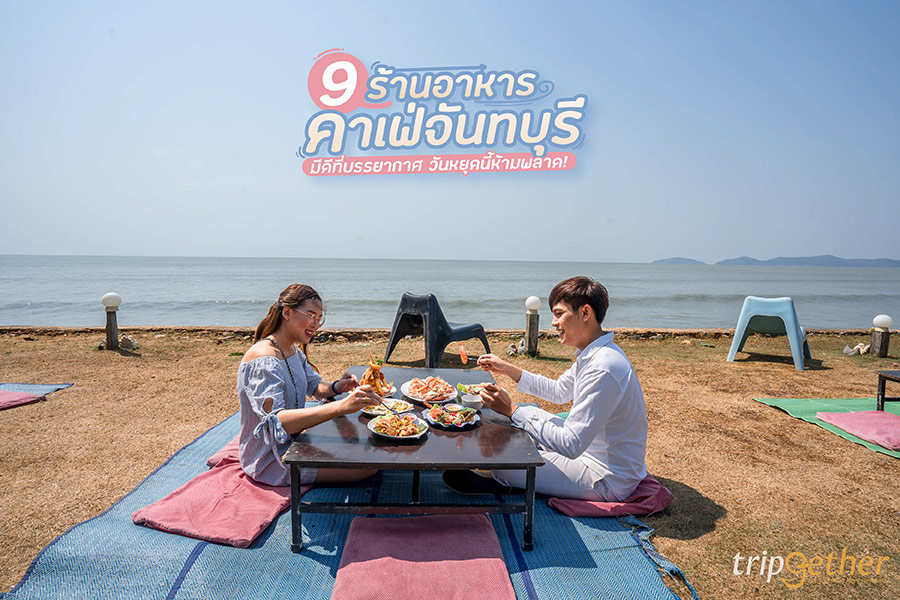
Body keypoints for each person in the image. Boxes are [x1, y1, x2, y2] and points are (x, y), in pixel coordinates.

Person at [446, 276, 648, 501]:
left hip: (605, 475)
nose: (553, 322)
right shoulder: (594, 354)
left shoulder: (603, 367)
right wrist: (509, 369)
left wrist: (512, 410)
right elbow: (559, 391)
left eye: (559, 314)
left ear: (585, 313)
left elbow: (571, 444)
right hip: (590, 450)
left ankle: (500, 480)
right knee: (529, 414)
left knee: (505, 462)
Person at [237, 284, 381, 487]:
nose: (316, 324)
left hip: (297, 441)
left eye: (319, 318)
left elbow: (314, 386)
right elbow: (278, 421)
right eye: (311, 315)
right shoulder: (263, 360)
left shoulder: (292, 351)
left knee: (368, 448)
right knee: (368, 466)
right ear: (287, 313)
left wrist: (338, 387)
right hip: (272, 458)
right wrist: (341, 406)